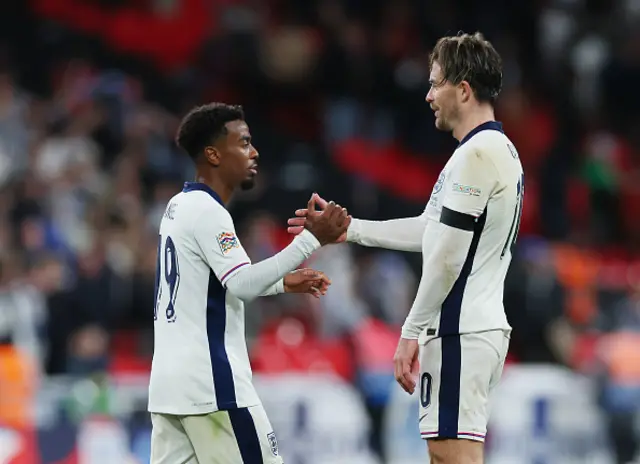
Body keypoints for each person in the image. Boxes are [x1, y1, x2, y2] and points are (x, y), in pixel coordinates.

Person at [288, 32, 522, 464]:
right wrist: (351, 230)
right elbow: (430, 230)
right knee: (444, 456)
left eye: (436, 84)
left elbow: (447, 257)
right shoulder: (489, 150)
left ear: (464, 90)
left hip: (460, 329)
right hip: (470, 327)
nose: (429, 96)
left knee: (454, 458)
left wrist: (410, 331)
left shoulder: (477, 155)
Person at [148, 103, 350, 464]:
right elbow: (241, 284)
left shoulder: (178, 206)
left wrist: (283, 284)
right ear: (212, 154)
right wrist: (310, 240)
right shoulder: (210, 212)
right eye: (242, 143)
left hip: (169, 388)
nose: (254, 152)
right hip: (213, 387)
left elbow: (214, 283)